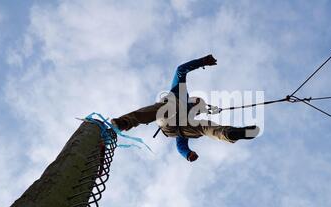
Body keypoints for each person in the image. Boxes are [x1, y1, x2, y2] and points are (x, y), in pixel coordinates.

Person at [111, 55, 260, 162]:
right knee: (165, 107)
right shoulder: (180, 92)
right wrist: (202, 62)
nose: (196, 108)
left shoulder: (190, 118)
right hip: (168, 114)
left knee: (203, 126)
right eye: (197, 105)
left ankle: (229, 133)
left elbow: (180, 143)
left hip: (178, 128)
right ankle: (125, 122)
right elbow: (180, 70)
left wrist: (187, 154)